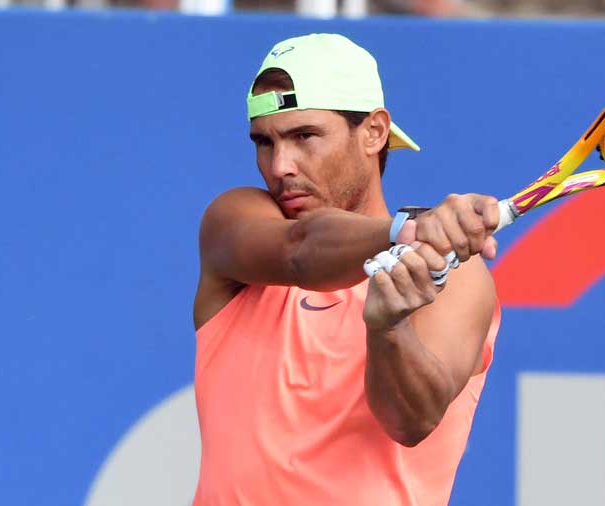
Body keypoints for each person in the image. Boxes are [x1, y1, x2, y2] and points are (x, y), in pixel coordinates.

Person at [192, 33, 502, 505]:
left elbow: (410, 422)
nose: (280, 166)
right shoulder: (234, 222)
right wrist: (407, 231)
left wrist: (389, 328)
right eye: (264, 142)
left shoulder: (456, 274)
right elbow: (300, 248)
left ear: (375, 132)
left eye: (304, 136)